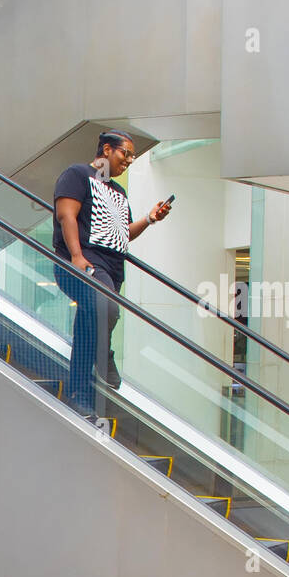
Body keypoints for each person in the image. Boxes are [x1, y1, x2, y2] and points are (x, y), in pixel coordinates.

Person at [53, 131, 172, 417]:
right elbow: (66, 215)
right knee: (108, 309)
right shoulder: (78, 174)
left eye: (132, 156)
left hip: (111, 269)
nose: (129, 160)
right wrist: (77, 257)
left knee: (88, 324)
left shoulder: (118, 191)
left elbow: (122, 234)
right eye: (125, 154)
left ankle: (80, 394)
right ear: (106, 149)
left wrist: (149, 219)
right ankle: (103, 357)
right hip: (80, 263)